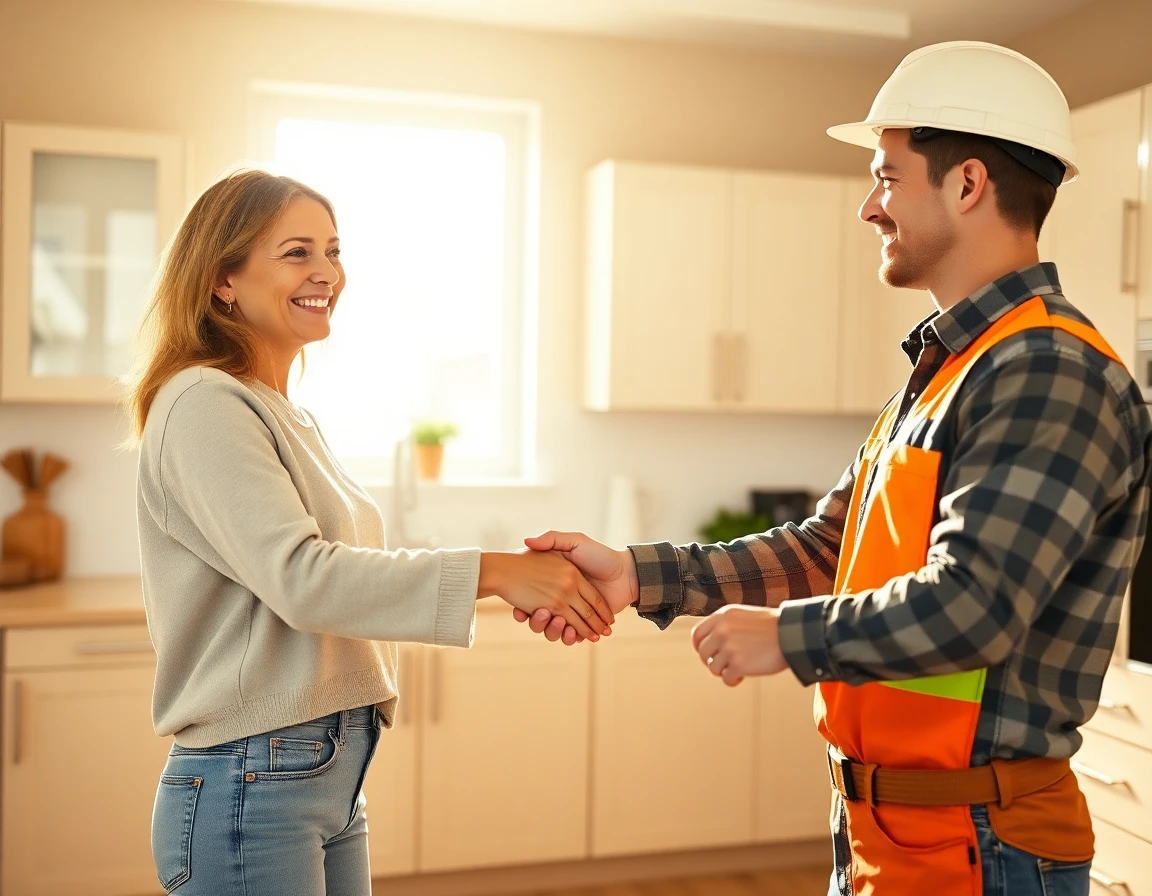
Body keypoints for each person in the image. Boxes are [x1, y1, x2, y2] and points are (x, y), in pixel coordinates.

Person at [516, 41, 1152, 896]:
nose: (869, 208)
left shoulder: (1048, 369)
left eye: (887, 177)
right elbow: (828, 547)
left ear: (967, 184)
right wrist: (637, 575)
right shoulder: (951, 371)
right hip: (894, 836)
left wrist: (787, 637)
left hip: (987, 845)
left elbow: (979, 604)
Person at [127, 169, 615, 896]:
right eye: (297, 252)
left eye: (332, 249)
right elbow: (303, 577)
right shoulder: (203, 402)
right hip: (253, 780)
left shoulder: (280, 410)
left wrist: (509, 572)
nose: (326, 272)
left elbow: (336, 569)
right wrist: (496, 572)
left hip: (319, 774)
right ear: (224, 278)